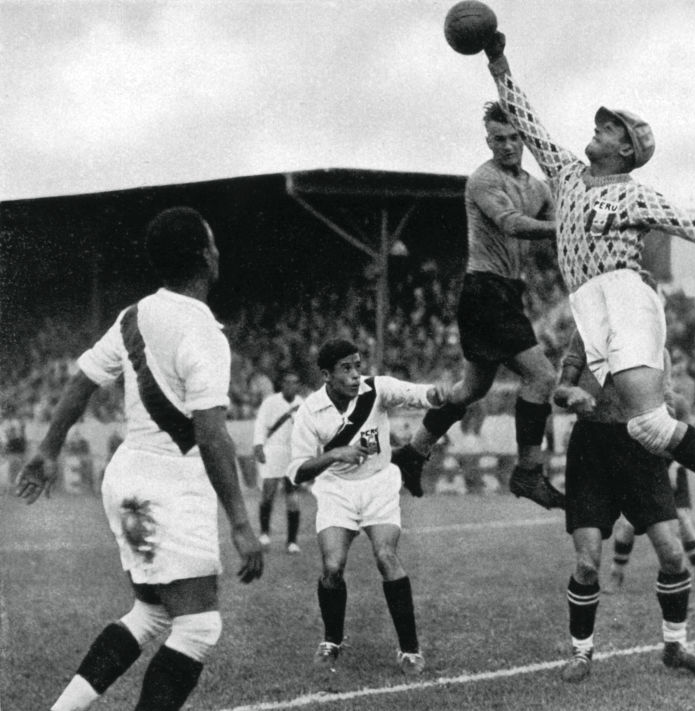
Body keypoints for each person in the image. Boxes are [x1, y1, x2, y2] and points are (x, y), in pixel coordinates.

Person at [477, 32, 695, 549]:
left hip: (624, 296)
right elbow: (526, 119)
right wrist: (496, 60)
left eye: (609, 126)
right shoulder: (568, 174)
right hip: (589, 305)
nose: (597, 129)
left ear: (626, 148)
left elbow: (684, 221)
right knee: (648, 428)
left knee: (648, 421)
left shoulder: (634, 194)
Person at [15, 206, 263, 711]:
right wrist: (241, 521)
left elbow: (83, 378)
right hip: (171, 483)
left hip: (125, 480)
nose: (218, 251)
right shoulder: (204, 333)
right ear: (204, 256)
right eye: (212, 242)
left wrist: (47, 449)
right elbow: (212, 435)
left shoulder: (134, 315)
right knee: (197, 627)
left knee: (150, 614)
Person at [392, 100, 564, 510]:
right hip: (485, 291)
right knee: (541, 377)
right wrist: (561, 227)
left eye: (513, 138)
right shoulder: (482, 181)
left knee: (473, 388)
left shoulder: (536, 187)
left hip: (504, 293)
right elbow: (512, 224)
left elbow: (558, 212)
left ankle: (413, 452)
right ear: (487, 140)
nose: (506, 146)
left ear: (524, 138)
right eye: (498, 139)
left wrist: (571, 217)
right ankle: (528, 473)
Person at [552, 327, 695, 682]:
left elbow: (668, 398)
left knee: (673, 555)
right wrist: (573, 394)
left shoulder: (653, 341)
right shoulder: (585, 332)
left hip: (641, 446)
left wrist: (668, 431)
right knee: (586, 563)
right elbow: (560, 391)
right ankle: (582, 653)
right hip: (591, 448)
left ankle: (676, 647)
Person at [286, 339, 451, 675]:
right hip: (336, 490)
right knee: (333, 566)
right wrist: (333, 454)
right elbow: (296, 472)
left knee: (386, 556)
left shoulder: (377, 390)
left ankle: (409, 650)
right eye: (345, 368)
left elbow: (419, 394)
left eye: (357, 366)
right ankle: (332, 640)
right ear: (326, 375)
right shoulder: (310, 411)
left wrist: (437, 393)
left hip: (378, 484)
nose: (354, 375)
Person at [609, 464, 695, 594]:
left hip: (672, 466)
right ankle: (616, 574)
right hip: (639, 468)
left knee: (683, 519)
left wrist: (674, 466)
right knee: (628, 524)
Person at [252, 371, 304, 553]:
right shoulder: (270, 402)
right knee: (268, 492)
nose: (291, 386)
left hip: (292, 453)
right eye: (288, 382)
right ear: (282, 384)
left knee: (293, 497)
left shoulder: (302, 403)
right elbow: (260, 424)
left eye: (295, 382)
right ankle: (265, 534)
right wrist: (258, 445)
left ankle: (292, 541)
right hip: (273, 450)